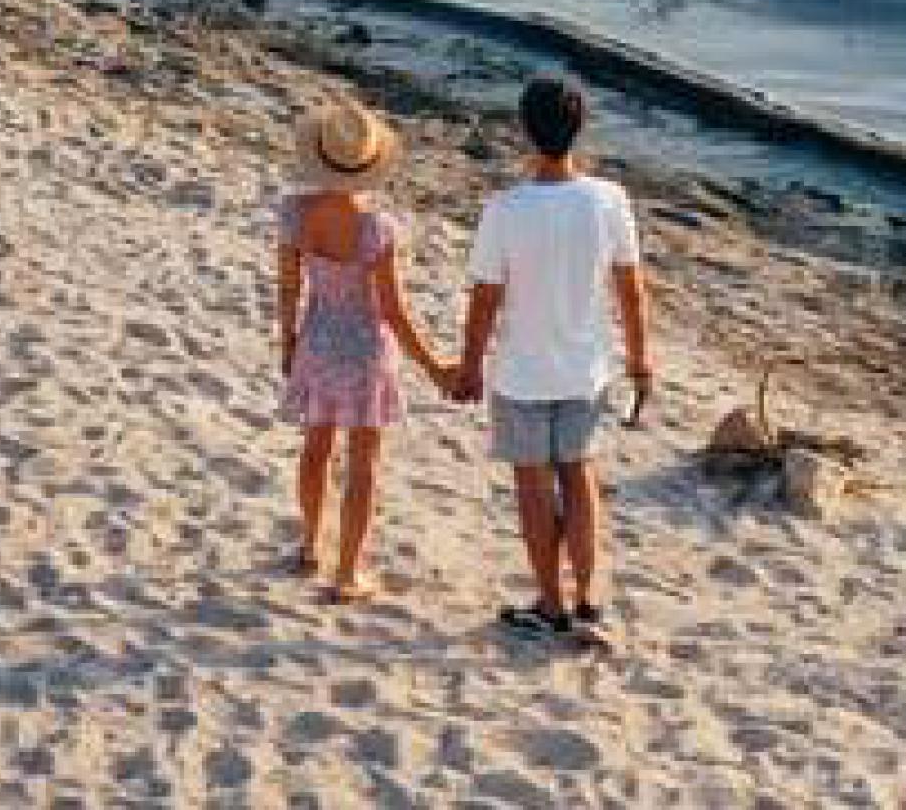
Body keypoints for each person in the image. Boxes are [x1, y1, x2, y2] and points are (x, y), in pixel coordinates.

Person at [449, 74, 652, 646]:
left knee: (534, 488)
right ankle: (589, 598)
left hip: (521, 372)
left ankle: (550, 603)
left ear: (525, 132)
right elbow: (632, 289)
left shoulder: (505, 209)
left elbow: (485, 299)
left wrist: (468, 366)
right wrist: (641, 359)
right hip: (585, 369)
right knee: (580, 478)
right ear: (579, 128)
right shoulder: (609, 200)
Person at [275, 99, 453, 604]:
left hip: (317, 339)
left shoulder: (294, 213)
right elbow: (393, 311)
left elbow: (288, 288)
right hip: (366, 352)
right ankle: (348, 572)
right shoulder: (377, 228)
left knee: (315, 448)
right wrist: (434, 366)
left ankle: (310, 545)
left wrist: (287, 341)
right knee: (363, 462)